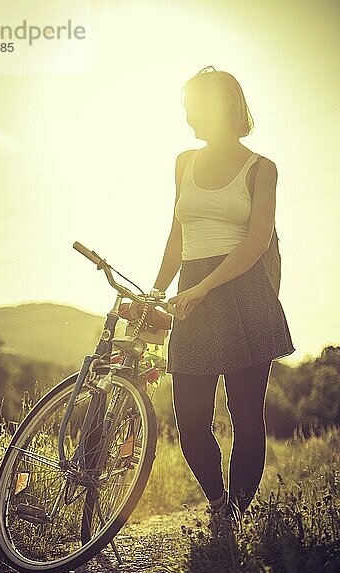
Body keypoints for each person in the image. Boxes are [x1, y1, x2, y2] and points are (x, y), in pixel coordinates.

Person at [151, 66, 296, 526]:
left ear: (221, 107)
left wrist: (204, 286)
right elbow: (177, 235)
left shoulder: (262, 169)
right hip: (191, 295)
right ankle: (217, 501)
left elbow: (256, 241)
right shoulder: (183, 163)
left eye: (193, 105)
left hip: (245, 295)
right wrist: (157, 291)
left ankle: (234, 512)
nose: (187, 115)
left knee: (245, 414)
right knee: (191, 419)